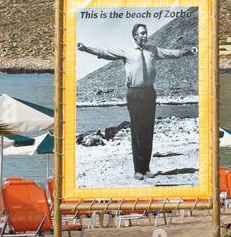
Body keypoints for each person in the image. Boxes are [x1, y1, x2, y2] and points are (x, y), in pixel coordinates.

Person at [78, 23, 197, 181]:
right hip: (134, 94)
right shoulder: (126, 51)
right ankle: (138, 170)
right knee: (137, 132)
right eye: (141, 33)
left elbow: (170, 53)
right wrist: (85, 48)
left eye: (145, 33)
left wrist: (188, 52)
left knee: (148, 131)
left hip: (149, 93)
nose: (144, 36)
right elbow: (104, 52)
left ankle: (147, 168)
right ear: (135, 36)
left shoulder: (153, 50)